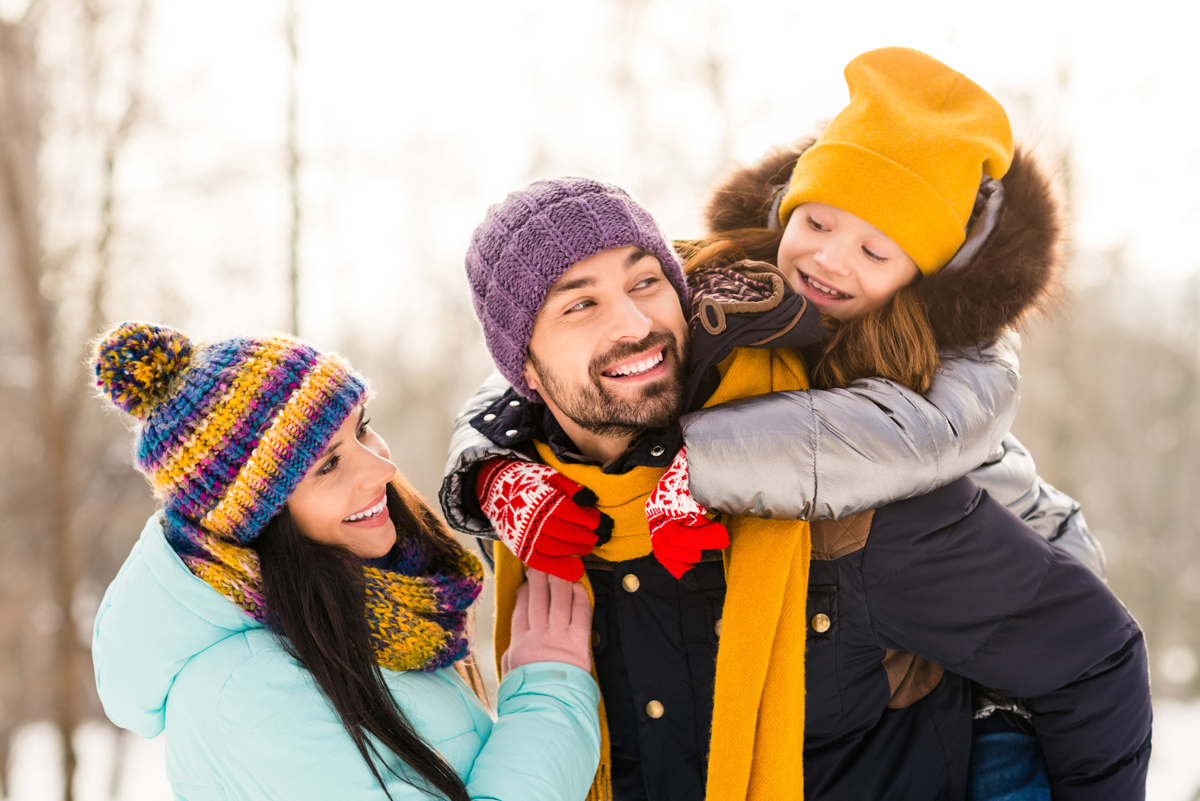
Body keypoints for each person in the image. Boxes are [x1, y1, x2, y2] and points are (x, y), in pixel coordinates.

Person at [441, 48, 1150, 801]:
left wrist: (700, 469)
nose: (831, 260)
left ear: (918, 275)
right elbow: (522, 385)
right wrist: (490, 473)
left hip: (1016, 545)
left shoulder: (920, 400)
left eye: (875, 250)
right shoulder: (720, 307)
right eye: (816, 222)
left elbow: (1087, 648)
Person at [89, 322, 600, 801]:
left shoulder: (369, 615)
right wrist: (548, 697)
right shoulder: (247, 696)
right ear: (257, 520)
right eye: (329, 464)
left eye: (363, 429)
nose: (382, 469)